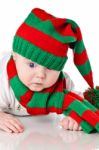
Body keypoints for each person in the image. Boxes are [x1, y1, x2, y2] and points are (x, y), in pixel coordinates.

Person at [0, 8, 98, 134]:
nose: (40, 75)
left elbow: (77, 102)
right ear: (15, 57)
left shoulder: (63, 83)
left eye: (50, 67)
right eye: (31, 65)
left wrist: (73, 118)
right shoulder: (4, 82)